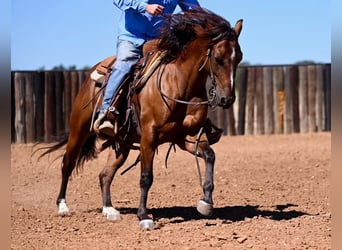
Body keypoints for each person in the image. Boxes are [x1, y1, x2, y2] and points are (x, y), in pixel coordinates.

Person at [94, 0, 201, 137]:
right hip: (131, 37)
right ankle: (105, 114)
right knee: (124, 64)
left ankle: (196, 116)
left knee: (183, 66)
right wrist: (145, 7)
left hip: (160, 39)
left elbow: (195, 10)